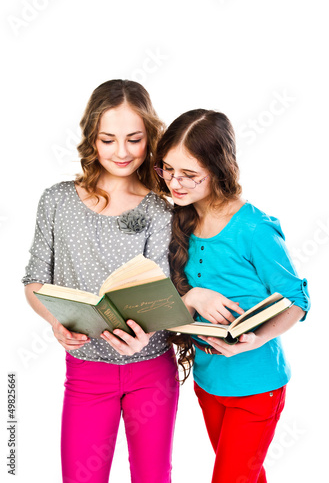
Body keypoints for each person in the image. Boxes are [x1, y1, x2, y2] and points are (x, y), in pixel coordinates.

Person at [22, 79, 179, 483]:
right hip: (87, 370)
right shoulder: (57, 200)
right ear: (92, 137)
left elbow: (163, 289)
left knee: (153, 477)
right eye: (108, 139)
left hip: (151, 370)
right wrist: (55, 322)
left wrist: (149, 332)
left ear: (150, 138)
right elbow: (36, 279)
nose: (122, 152)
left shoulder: (158, 208)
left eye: (134, 139)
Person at [154, 109, 310, 483]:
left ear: (219, 170)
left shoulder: (254, 228)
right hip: (208, 383)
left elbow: (299, 299)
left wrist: (256, 338)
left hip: (257, 386)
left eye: (189, 175)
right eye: (167, 169)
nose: (175, 183)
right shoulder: (182, 218)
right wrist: (193, 295)